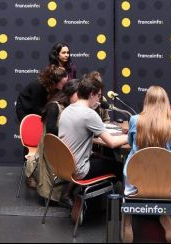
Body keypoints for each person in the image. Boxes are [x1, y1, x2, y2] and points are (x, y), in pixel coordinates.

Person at [58, 75, 127, 221]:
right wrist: (134, 136)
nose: (99, 100)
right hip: (80, 169)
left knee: (105, 159)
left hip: (64, 165)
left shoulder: (68, 109)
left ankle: (91, 200)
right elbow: (112, 143)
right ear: (91, 94)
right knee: (119, 167)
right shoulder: (89, 114)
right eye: (98, 96)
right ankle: (124, 212)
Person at [122, 86, 171, 243]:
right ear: (166, 103)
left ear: (146, 101)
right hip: (166, 182)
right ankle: (165, 216)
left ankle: (127, 222)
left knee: (128, 168)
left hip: (135, 179)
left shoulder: (135, 120)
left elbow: (131, 144)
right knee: (165, 184)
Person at [36, 79, 79, 207]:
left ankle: (65, 195)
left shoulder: (70, 107)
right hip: (51, 146)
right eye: (79, 94)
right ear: (70, 93)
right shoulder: (54, 106)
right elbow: (51, 129)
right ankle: (53, 197)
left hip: (63, 144)